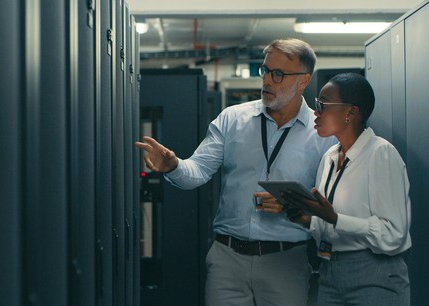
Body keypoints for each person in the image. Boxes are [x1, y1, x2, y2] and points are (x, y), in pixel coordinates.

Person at [135, 38, 336, 306]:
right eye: (265, 70)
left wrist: (294, 205)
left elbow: (331, 204)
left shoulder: (322, 134)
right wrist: (173, 165)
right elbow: (198, 171)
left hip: (286, 261)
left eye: (278, 75)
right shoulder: (232, 119)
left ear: (303, 81)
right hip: (228, 259)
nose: (267, 81)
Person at [282, 73, 412, 305]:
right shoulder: (330, 157)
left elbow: (394, 234)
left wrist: (334, 218)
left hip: (374, 275)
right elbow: (330, 225)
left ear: (351, 112)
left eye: (323, 105)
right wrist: (309, 220)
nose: (316, 113)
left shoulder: (380, 153)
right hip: (330, 272)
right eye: (316, 105)